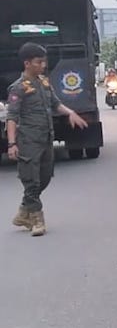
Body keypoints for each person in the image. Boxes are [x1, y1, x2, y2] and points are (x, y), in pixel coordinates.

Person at [6, 42, 88, 236]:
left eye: (44, 61)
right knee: (31, 181)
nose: (43, 65)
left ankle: (23, 212)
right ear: (27, 63)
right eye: (39, 62)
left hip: (46, 138)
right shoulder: (18, 88)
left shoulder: (44, 82)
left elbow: (56, 104)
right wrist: (12, 144)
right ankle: (37, 220)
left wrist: (71, 112)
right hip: (28, 141)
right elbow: (12, 117)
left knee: (45, 177)